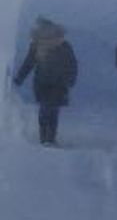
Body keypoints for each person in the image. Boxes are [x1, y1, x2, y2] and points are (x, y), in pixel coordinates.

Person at [14, 16, 79, 147]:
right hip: (49, 84)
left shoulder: (61, 47)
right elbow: (29, 63)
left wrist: (70, 79)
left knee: (49, 110)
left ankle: (47, 137)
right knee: (49, 110)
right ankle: (47, 137)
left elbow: (71, 64)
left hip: (53, 84)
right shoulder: (44, 47)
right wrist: (19, 79)